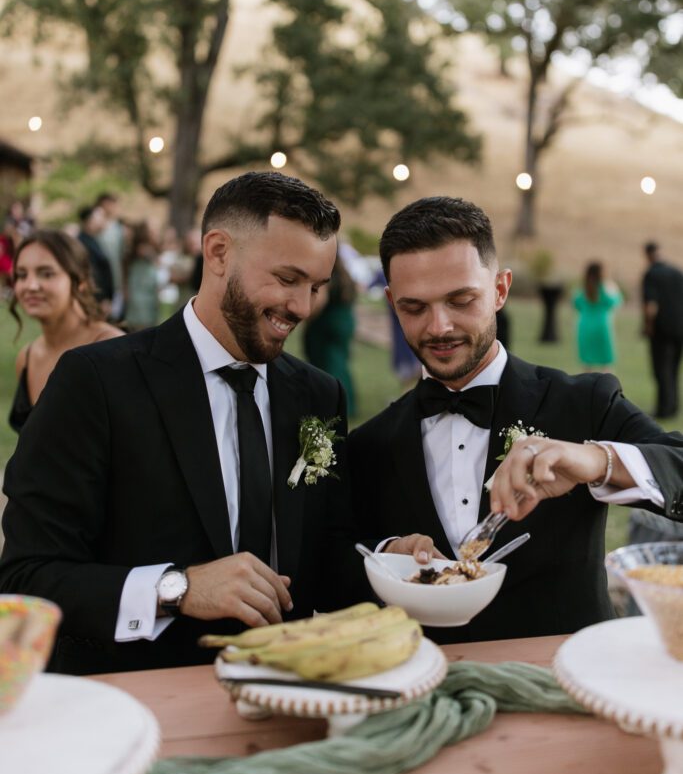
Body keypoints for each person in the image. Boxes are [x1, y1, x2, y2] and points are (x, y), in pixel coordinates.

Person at [0, 172, 362, 675]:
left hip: (288, 694)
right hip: (140, 705)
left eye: (316, 286)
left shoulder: (320, 395)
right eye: (286, 279)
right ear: (217, 252)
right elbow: (27, 576)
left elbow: (326, 552)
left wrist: (394, 560)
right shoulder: (95, 382)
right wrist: (178, 588)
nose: (301, 307)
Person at [348, 196, 683, 643]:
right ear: (392, 303)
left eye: (461, 299)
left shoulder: (584, 402)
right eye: (414, 308)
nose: (439, 326)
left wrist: (595, 461)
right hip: (427, 687)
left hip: (565, 679)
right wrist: (389, 555)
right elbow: (337, 568)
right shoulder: (369, 443)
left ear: (500, 290)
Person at [8, 230, 124, 433]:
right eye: (22, 275)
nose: (31, 285)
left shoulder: (111, 349)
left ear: (80, 282)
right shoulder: (26, 358)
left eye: (47, 273)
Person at [303, 255, 357, 416]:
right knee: (340, 364)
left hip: (326, 325)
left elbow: (319, 301)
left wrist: (306, 316)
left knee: (328, 367)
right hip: (344, 322)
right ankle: (348, 405)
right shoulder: (344, 274)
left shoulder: (326, 273)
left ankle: (335, 407)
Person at [642, 242, 683, 419]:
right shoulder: (677, 272)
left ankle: (663, 409)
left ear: (648, 254)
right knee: (674, 368)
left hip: (662, 331)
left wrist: (648, 326)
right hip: (680, 329)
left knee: (661, 369)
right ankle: (673, 407)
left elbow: (651, 305)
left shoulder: (651, 274)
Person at [572, 261, 622, 370]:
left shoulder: (582, 289)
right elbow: (616, 302)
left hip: (585, 326)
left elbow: (576, 304)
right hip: (602, 326)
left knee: (586, 365)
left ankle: (586, 387)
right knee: (606, 364)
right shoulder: (607, 288)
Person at [77, 204, 115, 312]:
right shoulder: (82, 243)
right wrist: (102, 298)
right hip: (94, 298)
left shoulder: (93, 240)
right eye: (99, 217)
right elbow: (93, 274)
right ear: (89, 221)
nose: (102, 221)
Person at [95, 193, 126, 321]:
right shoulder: (96, 226)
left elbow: (122, 256)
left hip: (115, 277)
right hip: (99, 277)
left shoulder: (117, 228)